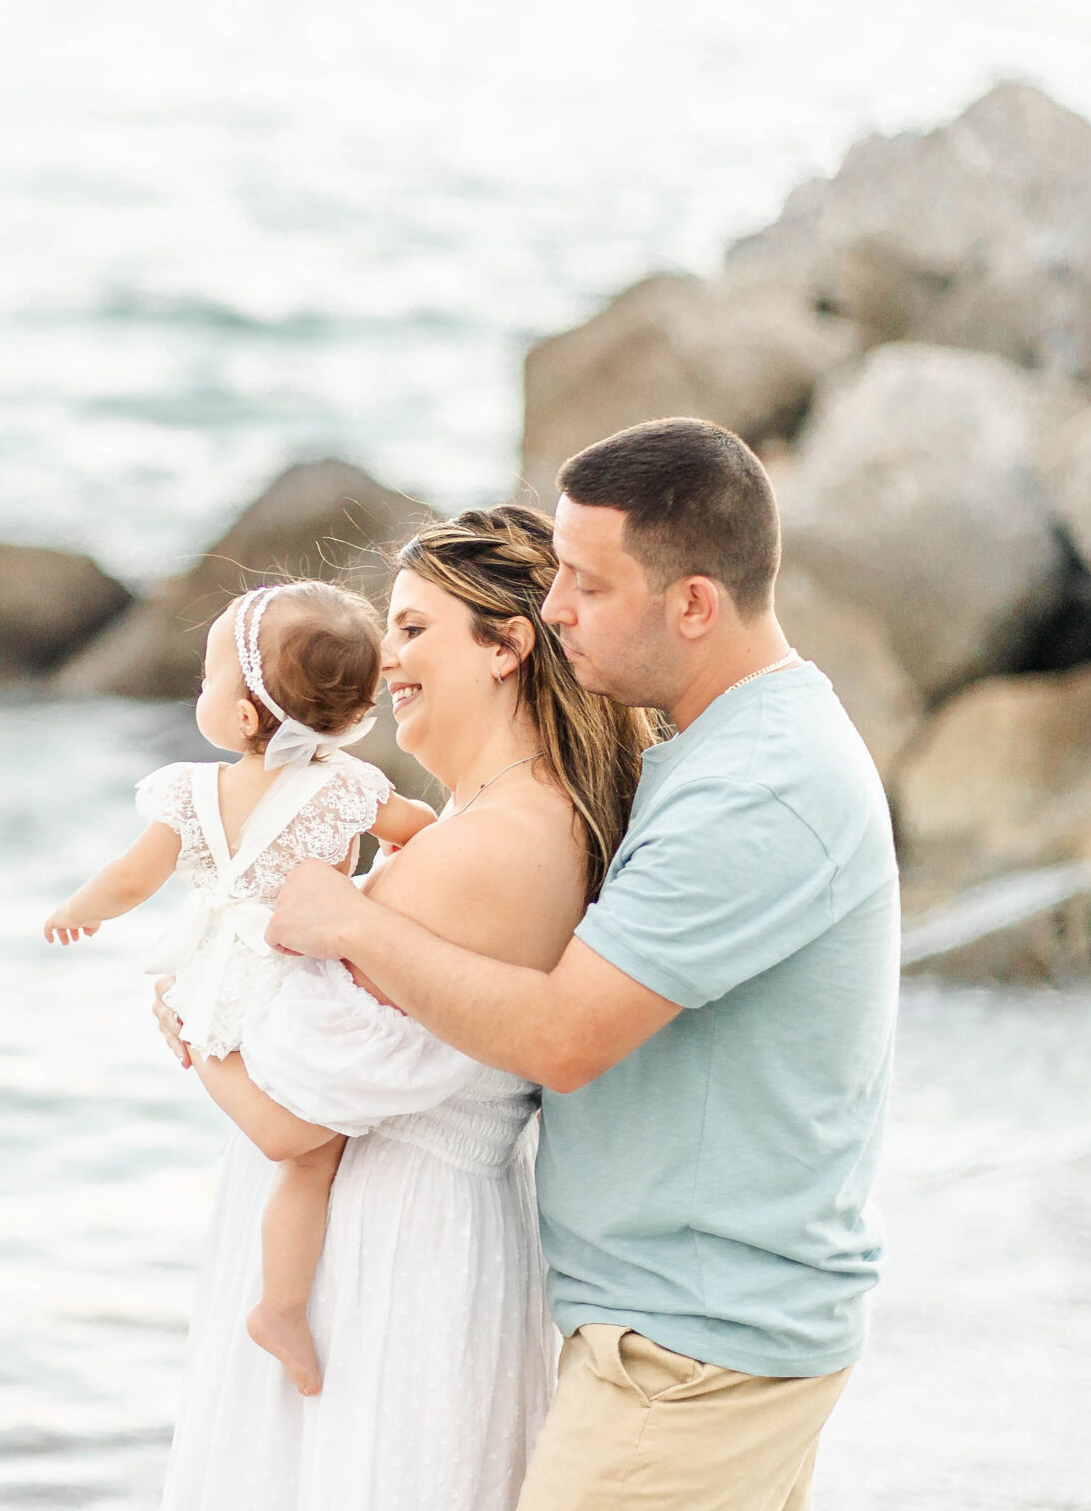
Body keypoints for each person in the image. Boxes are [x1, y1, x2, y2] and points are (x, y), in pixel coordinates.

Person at [267, 417, 900, 1511]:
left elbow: (565, 1035)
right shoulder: (717, 750)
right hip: (702, 1326)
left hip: (691, 1354)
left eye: (587, 586)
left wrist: (353, 923)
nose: (552, 610)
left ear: (693, 604)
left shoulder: (756, 785)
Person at [153, 508, 655, 1510]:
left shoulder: (495, 844)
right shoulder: (485, 820)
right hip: (392, 1242)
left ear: (506, 646)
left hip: (393, 1264)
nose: (386, 661)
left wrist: (184, 1020)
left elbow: (295, 1110)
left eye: (416, 629)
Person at [45, 580, 436, 1395]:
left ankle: (277, 1307)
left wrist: (80, 909)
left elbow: (130, 877)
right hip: (301, 984)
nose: (200, 687)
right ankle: (281, 1306)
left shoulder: (189, 792)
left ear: (249, 716)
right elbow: (425, 835)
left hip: (214, 979)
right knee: (312, 1152)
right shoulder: (347, 788)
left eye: (208, 677)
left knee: (281, 1119)